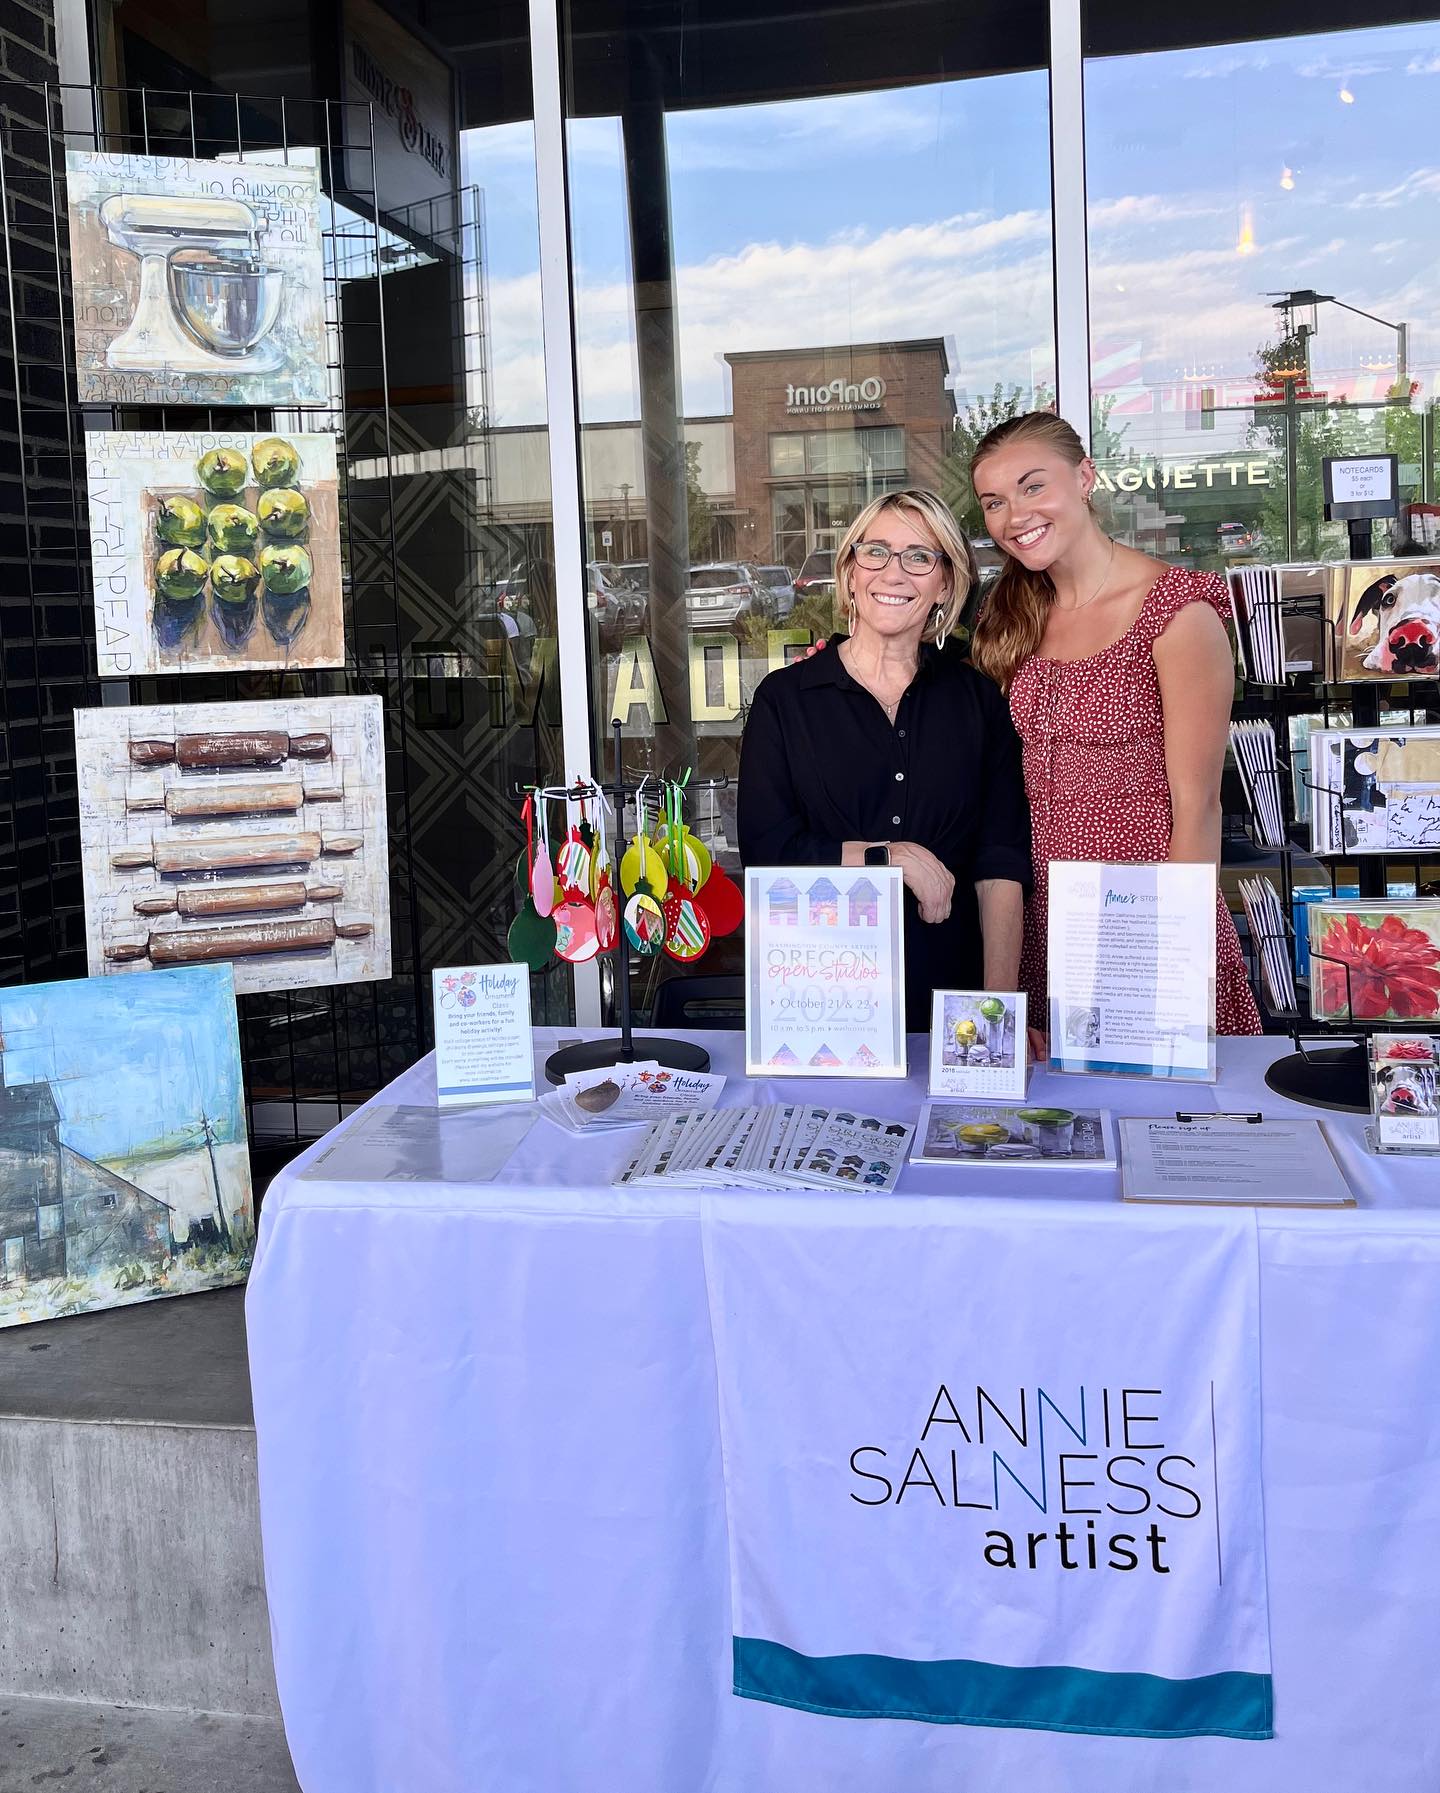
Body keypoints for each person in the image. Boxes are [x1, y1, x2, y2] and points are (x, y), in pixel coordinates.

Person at [967, 411, 1262, 1039]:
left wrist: (1172, 960)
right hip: (1039, 918)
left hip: (1143, 921)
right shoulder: (1010, 613)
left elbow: (1198, 805)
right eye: (994, 502)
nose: (1015, 515)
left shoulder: (1175, 611)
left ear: (1086, 478)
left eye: (1032, 485)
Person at [737, 488, 1032, 1024]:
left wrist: (999, 1009)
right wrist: (886, 856)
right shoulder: (785, 700)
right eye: (875, 552)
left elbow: (1001, 861)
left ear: (946, 583)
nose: (893, 573)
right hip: (824, 1010)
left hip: (954, 1007)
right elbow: (768, 852)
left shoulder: (978, 700)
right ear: (850, 573)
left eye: (920, 556)